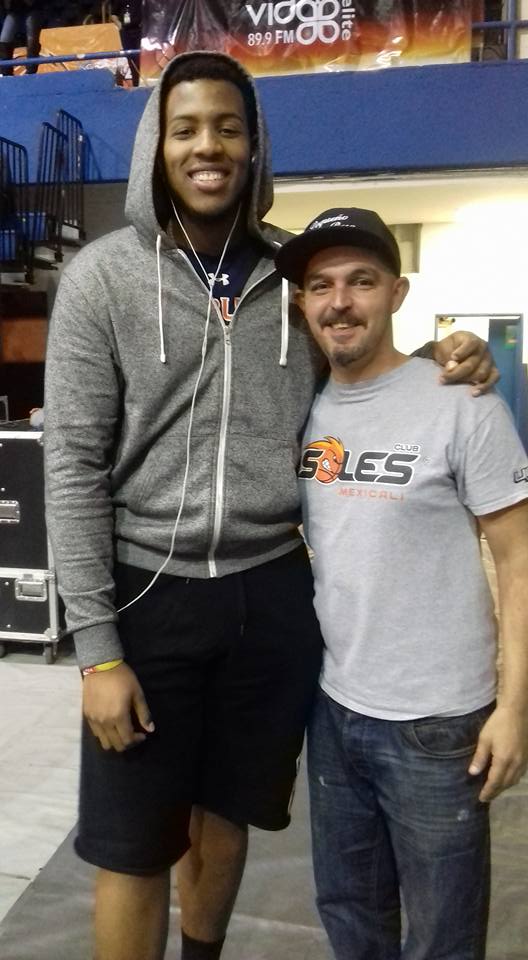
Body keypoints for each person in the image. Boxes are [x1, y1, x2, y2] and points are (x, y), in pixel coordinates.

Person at [44, 52, 497, 960]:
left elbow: (364, 357)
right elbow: (72, 468)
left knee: (227, 815)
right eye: (185, 129)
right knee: (133, 844)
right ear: (157, 145)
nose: (207, 146)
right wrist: (98, 651)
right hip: (148, 593)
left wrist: (448, 354)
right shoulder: (104, 278)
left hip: (271, 594)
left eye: (228, 128)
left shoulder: (292, 277)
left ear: (254, 146)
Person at [274, 207, 528, 960]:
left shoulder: (463, 402)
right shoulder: (305, 404)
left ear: (397, 292)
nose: (340, 302)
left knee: (445, 937)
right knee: (350, 916)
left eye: (361, 281)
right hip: (334, 709)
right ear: (302, 304)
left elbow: (519, 562)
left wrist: (515, 707)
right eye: (321, 285)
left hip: (439, 725)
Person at [0, 0, 41, 76]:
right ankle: (6, 73)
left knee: (32, 42)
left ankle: (30, 72)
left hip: (32, 9)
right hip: (13, 11)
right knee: (4, 41)